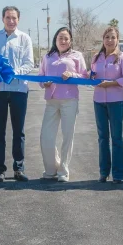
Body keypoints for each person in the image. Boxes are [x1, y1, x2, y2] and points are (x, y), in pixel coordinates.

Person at [0, 6, 35, 183]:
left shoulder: (24, 39)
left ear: (18, 20)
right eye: (8, 17)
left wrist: (13, 73)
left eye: (14, 18)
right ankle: (0, 170)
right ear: (2, 18)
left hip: (18, 90)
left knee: (18, 131)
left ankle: (19, 168)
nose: (11, 21)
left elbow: (29, 63)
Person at [39, 27, 88, 182]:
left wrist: (72, 74)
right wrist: (44, 83)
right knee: (46, 137)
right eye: (60, 38)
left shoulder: (77, 56)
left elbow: (85, 76)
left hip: (69, 100)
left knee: (68, 136)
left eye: (66, 38)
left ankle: (63, 171)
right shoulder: (47, 56)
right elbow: (40, 76)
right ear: (56, 39)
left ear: (70, 40)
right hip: (51, 100)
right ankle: (51, 168)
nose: (63, 41)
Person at [91, 26, 123, 185]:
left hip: (116, 102)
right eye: (107, 37)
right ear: (103, 39)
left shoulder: (122, 58)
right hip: (99, 101)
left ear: (118, 40)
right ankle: (103, 172)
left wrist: (112, 83)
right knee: (103, 138)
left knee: (116, 138)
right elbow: (92, 75)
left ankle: (118, 174)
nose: (110, 40)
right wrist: (92, 75)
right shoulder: (96, 57)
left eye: (113, 37)